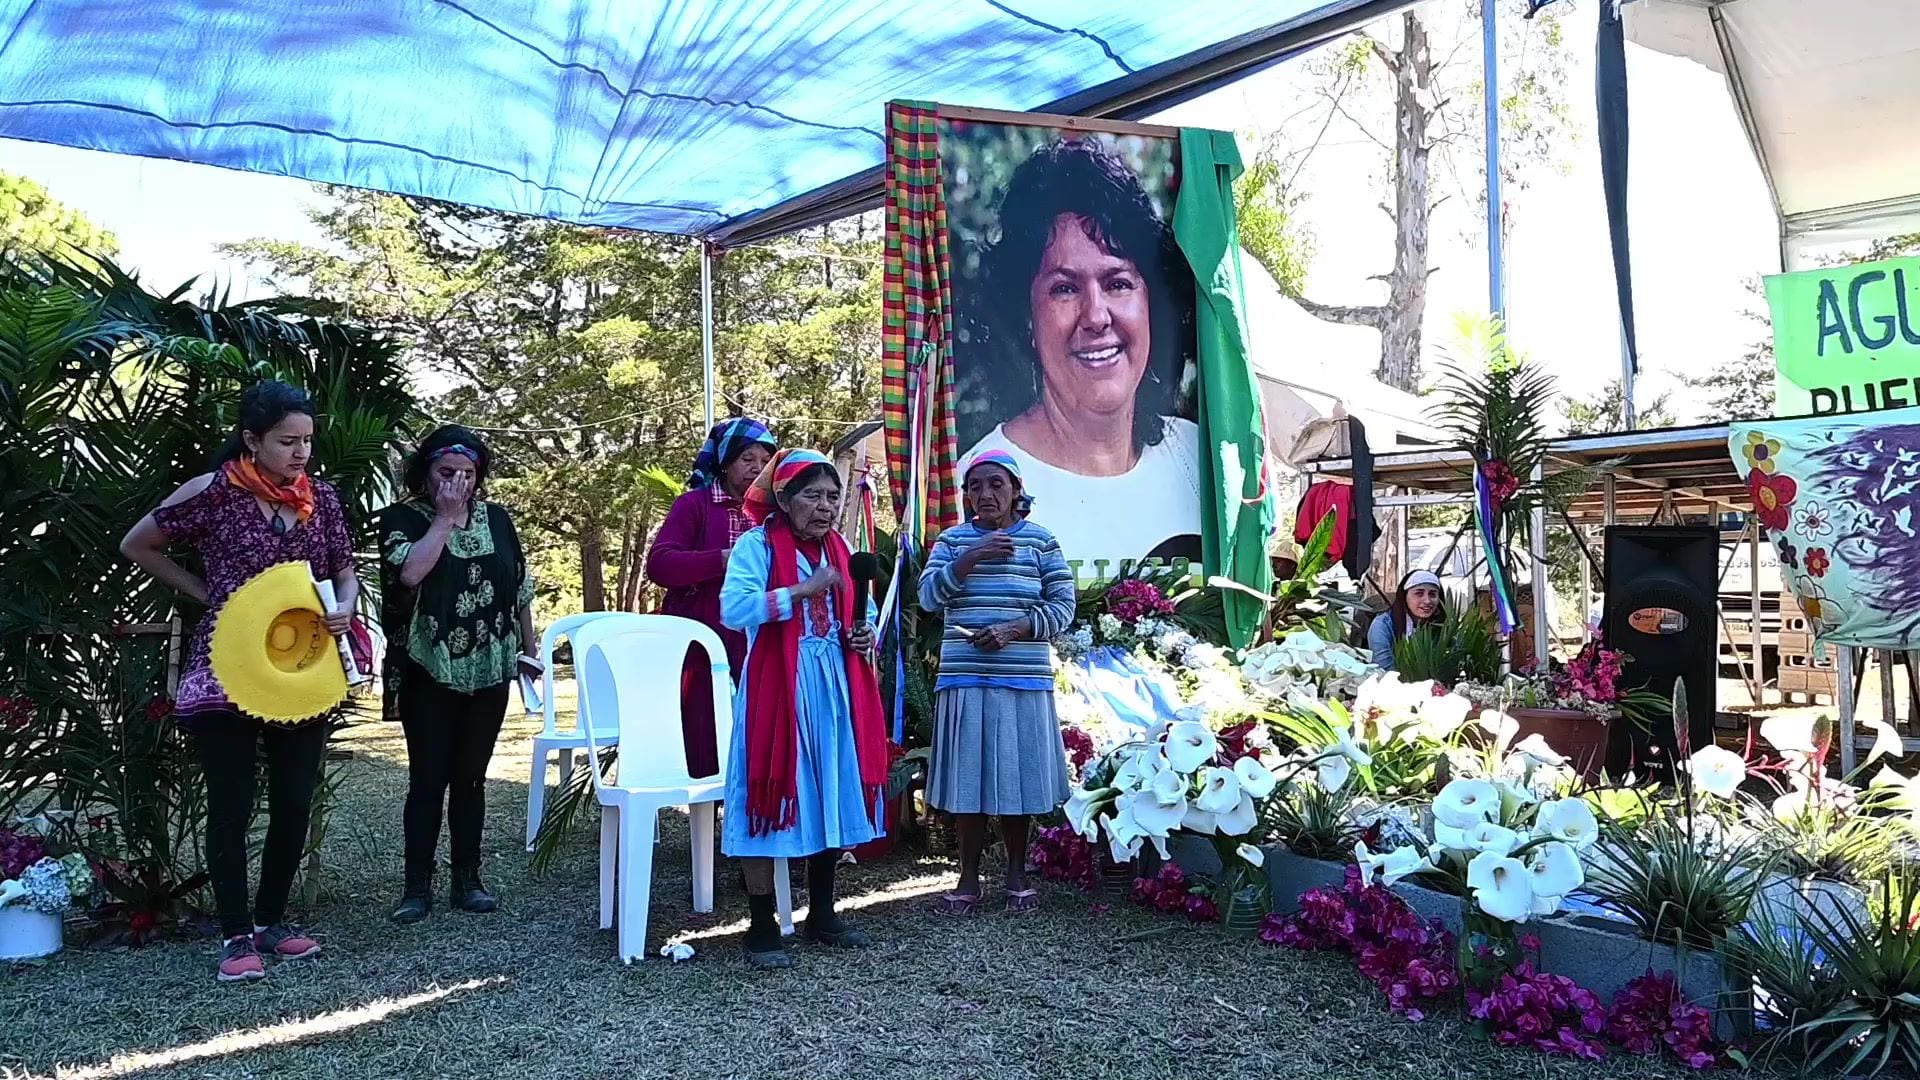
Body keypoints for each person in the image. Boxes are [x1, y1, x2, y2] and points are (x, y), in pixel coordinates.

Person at [120, 380, 359, 984]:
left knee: (294, 801)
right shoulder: (214, 492)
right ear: (252, 440)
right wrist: (209, 596)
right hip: (222, 674)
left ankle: (272, 923)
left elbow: (344, 570)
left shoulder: (321, 499)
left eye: (307, 440)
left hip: (302, 672)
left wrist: (346, 607)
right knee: (231, 805)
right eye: (287, 441)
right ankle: (234, 935)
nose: (301, 453)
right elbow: (138, 543)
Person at [961, 138, 1202, 567]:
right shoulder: (979, 482)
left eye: (1118, 283)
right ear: (1026, 317)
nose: (1096, 316)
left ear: (1151, 304)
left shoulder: (1198, 459)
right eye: (1065, 288)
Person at [719, 449, 886, 969]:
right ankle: (762, 922)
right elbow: (733, 608)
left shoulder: (842, 550)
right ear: (784, 499)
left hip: (835, 682)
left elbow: (866, 611)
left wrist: (863, 634)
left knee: (829, 789)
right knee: (769, 792)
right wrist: (799, 591)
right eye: (812, 495)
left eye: (833, 496)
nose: (825, 506)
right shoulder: (757, 546)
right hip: (778, 686)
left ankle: (822, 912)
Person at [376, 426, 537, 923]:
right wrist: (444, 521)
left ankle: (468, 879)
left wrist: (529, 652)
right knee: (428, 779)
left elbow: (521, 589)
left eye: (468, 475)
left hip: (490, 667)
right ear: (425, 473)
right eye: (448, 473)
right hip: (429, 667)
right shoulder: (402, 519)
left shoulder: (498, 519)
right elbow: (407, 574)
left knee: (471, 778)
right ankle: (416, 888)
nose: (459, 484)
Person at [917, 449, 1076, 915]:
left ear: (1016, 492)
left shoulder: (1041, 542)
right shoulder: (951, 542)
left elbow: (1064, 607)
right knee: (969, 779)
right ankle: (967, 878)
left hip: (1022, 680)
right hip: (965, 678)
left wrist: (1015, 629)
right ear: (965, 495)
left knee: (1017, 778)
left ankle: (1016, 873)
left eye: (996, 485)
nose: (985, 494)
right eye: (976, 486)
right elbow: (928, 598)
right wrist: (970, 558)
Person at [645, 417, 777, 778]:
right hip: (703, 643)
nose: (757, 467)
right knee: (706, 739)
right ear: (725, 461)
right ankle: (708, 817)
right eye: (747, 458)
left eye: (766, 460)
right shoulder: (695, 506)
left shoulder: (776, 513)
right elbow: (660, 565)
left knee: (762, 736)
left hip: (762, 640)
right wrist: (726, 559)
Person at [1368, 569, 1448, 669]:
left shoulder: (1443, 628)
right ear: (1404, 596)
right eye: (1419, 593)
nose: (1427, 601)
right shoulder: (1382, 625)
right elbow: (1384, 668)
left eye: (1432, 594)